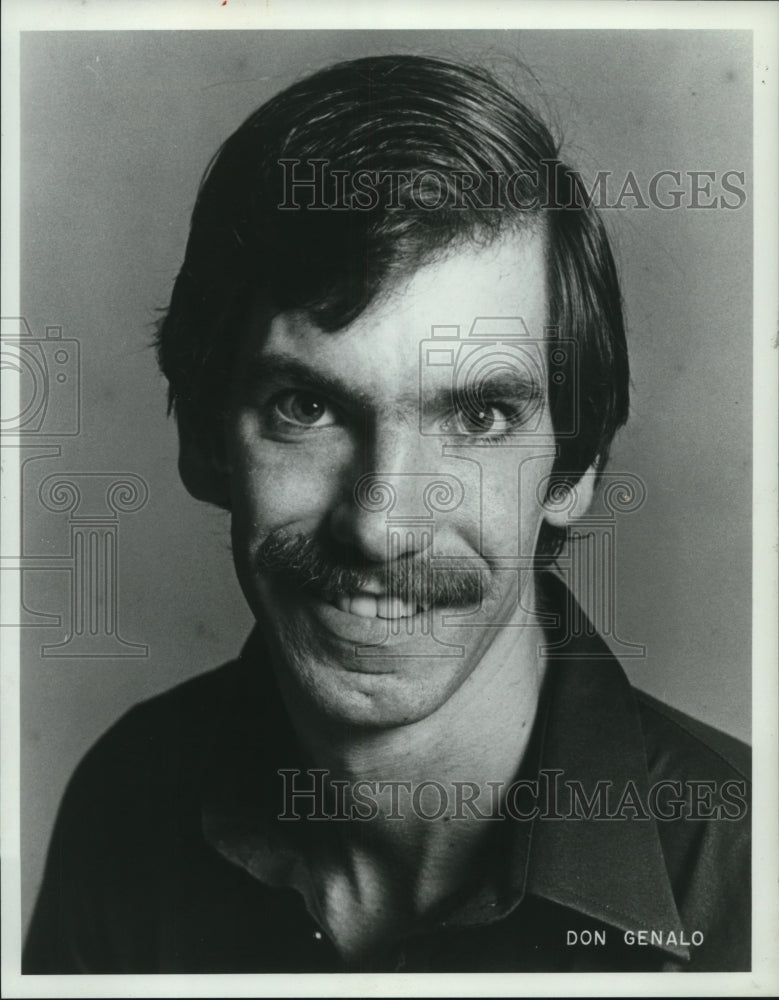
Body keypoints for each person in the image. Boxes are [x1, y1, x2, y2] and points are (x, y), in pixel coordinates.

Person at [23, 54, 750, 974]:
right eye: (307, 408)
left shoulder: (745, 890)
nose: (379, 526)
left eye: (478, 417)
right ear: (205, 442)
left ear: (571, 468)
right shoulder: (129, 799)